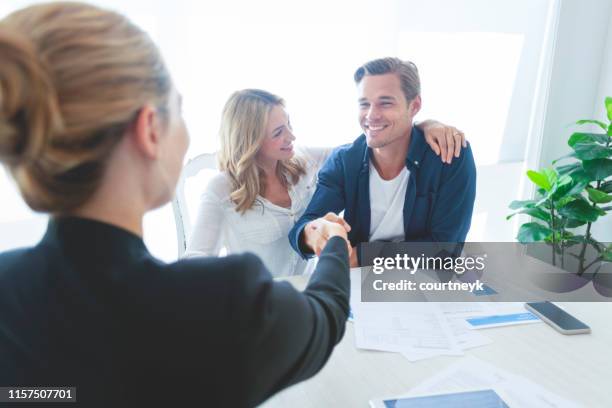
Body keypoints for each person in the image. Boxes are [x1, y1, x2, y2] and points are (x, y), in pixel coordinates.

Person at [0, 3, 352, 407]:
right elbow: (326, 315)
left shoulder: (7, 288)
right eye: (179, 111)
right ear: (150, 129)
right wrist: (335, 241)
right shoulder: (223, 303)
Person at [185, 88, 467, 277]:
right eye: (279, 132)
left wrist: (422, 125)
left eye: (290, 125)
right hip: (255, 304)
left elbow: (370, 146)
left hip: (309, 298)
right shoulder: (220, 191)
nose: (292, 137)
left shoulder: (304, 161)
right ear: (250, 140)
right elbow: (196, 259)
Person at [289, 57, 477, 266]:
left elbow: (446, 249)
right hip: (360, 286)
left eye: (385, 103)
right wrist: (311, 233)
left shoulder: (449, 156)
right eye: (364, 104)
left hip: (425, 282)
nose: (371, 115)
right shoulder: (344, 161)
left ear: (414, 106)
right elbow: (302, 228)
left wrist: (362, 256)